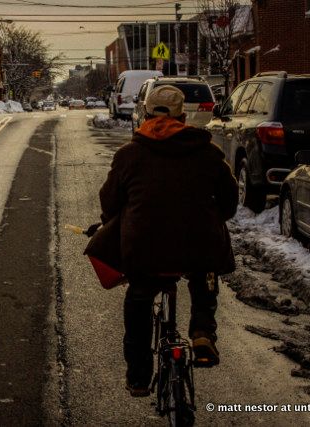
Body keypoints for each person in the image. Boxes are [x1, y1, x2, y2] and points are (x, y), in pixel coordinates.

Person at [98, 85, 239, 397]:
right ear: (184, 117)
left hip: (145, 250)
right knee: (204, 277)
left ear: (145, 115)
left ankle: (138, 376)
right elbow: (229, 199)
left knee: (139, 300)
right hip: (199, 245)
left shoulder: (128, 155)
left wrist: (114, 223)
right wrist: (216, 218)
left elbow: (110, 202)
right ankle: (202, 330)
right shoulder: (208, 152)